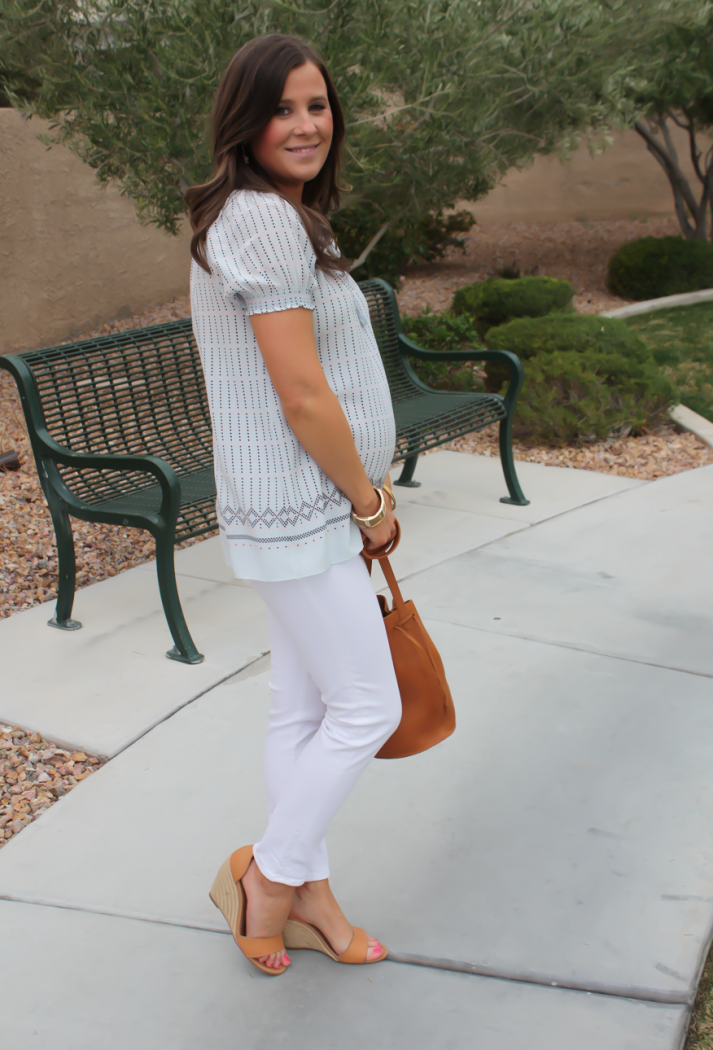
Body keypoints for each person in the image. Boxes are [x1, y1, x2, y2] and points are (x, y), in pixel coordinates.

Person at [185, 33, 400, 976]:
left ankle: (303, 898)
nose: (305, 124)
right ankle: (266, 877)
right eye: (282, 108)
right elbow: (302, 396)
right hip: (307, 509)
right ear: (247, 120)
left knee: (301, 709)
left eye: (316, 105)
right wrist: (367, 504)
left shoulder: (272, 213)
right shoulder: (266, 223)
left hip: (287, 506)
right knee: (366, 709)